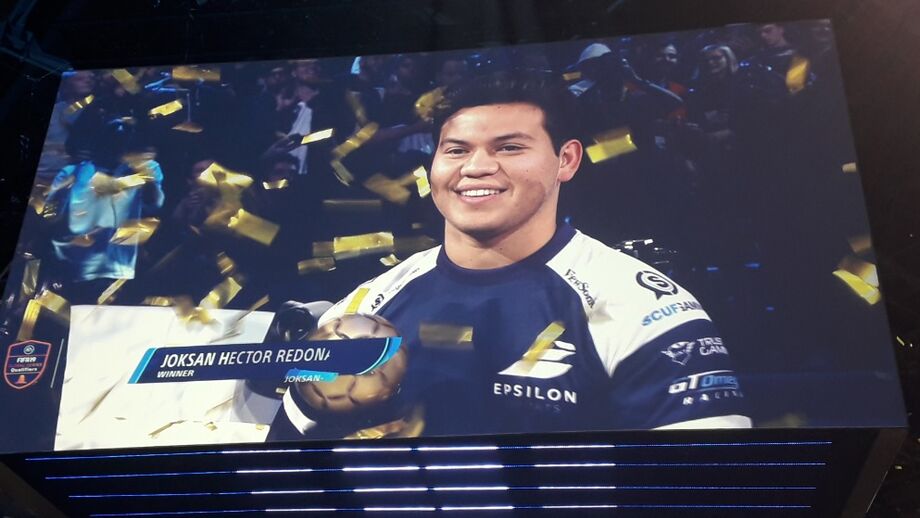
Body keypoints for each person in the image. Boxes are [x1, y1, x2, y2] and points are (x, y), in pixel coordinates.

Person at [270, 72, 752, 440]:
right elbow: (284, 460)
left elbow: (705, 486)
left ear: (566, 160)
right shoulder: (368, 303)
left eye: (510, 147)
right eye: (456, 150)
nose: (476, 167)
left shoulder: (641, 308)